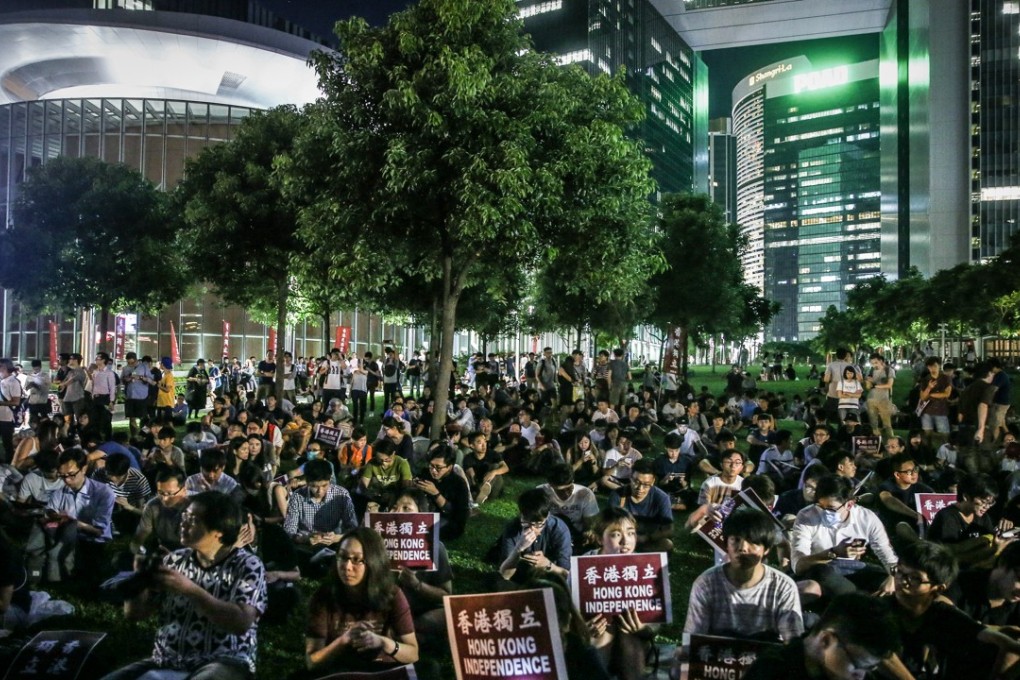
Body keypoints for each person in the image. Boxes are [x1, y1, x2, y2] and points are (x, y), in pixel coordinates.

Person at [103, 491, 267, 680]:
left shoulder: (247, 565)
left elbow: (241, 623)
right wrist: (141, 579)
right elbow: (134, 614)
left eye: (193, 520)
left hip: (224, 659)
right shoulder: (175, 560)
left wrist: (189, 589)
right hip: (168, 657)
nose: (184, 523)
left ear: (218, 531)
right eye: (185, 516)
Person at [883, 540, 1020, 680]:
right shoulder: (879, 610)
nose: (902, 581)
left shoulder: (943, 614)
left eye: (914, 578)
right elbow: (883, 655)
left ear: (938, 588)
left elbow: (985, 634)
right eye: (899, 572)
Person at [304, 527, 419, 674]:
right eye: (342, 557)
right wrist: (344, 640)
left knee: (429, 668)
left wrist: (384, 642)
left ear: (373, 562)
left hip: (381, 670)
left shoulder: (391, 594)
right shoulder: (323, 597)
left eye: (357, 560)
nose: (347, 567)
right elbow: (312, 662)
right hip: (341, 671)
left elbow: (413, 653)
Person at [685, 508, 803, 642]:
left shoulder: (783, 587)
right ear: (726, 544)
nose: (742, 548)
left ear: (767, 549)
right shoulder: (706, 584)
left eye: (752, 542)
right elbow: (694, 638)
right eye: (735, 540)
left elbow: (793, 644)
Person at [741, 593, 902, 680]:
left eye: (869, 668)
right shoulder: (772, 671)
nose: (860, 677)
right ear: (826, 640)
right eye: (858, 665)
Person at [791, 475, 898, 599]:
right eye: (820, 506)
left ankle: (858, 599)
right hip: (823, 569)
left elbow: (888, 556)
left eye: (831, 508)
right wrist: (833, 552)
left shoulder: (866, 518)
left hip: (853, 569)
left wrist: (892, 578)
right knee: (823, 573)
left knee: (883, 577)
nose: (825, 512)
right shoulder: (807, 516)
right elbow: (798, 566)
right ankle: (859, 600)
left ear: (849, 504)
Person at [25, 447, 114, 585]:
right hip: (65, 535)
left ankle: (57, 574)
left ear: (84, 469)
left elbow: (98, 531)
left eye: (71, 474)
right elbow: (50, 510)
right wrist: (54, 516)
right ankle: (37, 572)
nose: (67, 480)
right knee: (40, 531)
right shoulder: (61, 491)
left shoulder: (103, 492)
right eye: (62, 475)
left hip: (91, 541)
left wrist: (71, 522)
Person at [585, 507, 654, 680]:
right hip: (599, 633)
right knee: (600, 638)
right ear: (600, 538)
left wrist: (643, 628)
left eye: (631, 533)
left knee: (630, 639)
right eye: (616, 535)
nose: (626, 541)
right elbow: (572, 613)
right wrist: (584, 628)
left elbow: (656, 618)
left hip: (632, 633)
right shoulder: (584, 567)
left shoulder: (645, 567)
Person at [389, 489, 452, 640]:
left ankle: (404, 632)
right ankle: (409, 636)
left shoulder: (436, 548)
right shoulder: (376, 543)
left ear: (421, 515)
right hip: (386, 610)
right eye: (394, 507)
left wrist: (416, 584)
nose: (398, 512)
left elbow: (446, 595)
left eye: (406, 508)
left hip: (420, 611)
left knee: (448, 616)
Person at [283, 459, 358, 574]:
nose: (320, 491)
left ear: (330, 480)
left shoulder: (341, 495)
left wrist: (336, 538)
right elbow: (289, 530)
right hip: (305, 544)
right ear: (307, 482)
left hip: (333, 543)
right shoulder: (298, 496)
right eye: (314, 486)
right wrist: (305, 539)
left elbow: (353, 528)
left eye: (324, 485)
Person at [927, 472, 1007, 567]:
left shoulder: (983, 517)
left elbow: (990, 539)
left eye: (991, 503)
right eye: (983, 502)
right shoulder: (947, 517)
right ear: (966, 497)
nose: (987, 507)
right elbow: (950, 554)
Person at [497, 487, 572, 584]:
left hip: (550, 578)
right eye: (527, 523)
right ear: (521, 514)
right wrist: (518, 548)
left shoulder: (559, 529)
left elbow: (567, 575)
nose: (532, 529)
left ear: (547, 516)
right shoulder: (513, 527)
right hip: (520, 577)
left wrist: (548, 565)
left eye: (538, 524)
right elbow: (504, 575)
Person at [607, 458, 674, 552]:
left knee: (667, 544)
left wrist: (647, 537)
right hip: (622, 540)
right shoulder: (618, 495)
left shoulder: (661, 498)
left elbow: (669, 529)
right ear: (630, 477)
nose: (640, 488)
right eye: (636, 482)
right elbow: (609, 524)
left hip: (648, 540)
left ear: (653, 481)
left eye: (646, 484)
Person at [414, 443, 470, 541]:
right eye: (431, 465)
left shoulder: (458, 483)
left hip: (449, 521)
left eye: (438, 468)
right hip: (426, 515)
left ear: (449, 467)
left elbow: (457, 514)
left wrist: (436, 493)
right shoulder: (426, 474)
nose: (434, 471)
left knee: (424, 534)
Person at [539, 463, 600, 548]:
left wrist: (589, 531)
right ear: (550, 485)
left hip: (576, 535)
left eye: (568, 488)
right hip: (550, 534)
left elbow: (591, 523)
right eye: (560, 491)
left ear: (572, 481)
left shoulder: (585, 494)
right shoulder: (541, 493)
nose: (566, 493)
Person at [131, 467, 190, 555]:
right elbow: (141, 534)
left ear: (184, 490)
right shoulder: (153, 506)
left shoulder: (196, 506)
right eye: (160, 493)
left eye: (170, 494)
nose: (165, 499)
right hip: (164, 550)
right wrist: (136, 552)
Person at [462, 430, 508, 506]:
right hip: (477, 485)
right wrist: (478, 486)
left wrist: (493, 472)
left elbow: (506, 467)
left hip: (493, 486)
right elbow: (471, 476)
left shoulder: (493, 454)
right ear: (472, 445)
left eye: (485, 442)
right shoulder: (468, 458)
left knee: (495, 466)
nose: (484, 445)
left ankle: (481, 494)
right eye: (479, 443)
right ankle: (479, 494)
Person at [121, 352, 155, 439]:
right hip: (130, 395)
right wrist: (127, 379)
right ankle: (134, 436)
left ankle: (145, 434)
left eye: (132, 363)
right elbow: (122, 380)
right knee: (131, 418)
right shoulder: (125, 368)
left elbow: (152, 381)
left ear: (136, 360)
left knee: (144, 418)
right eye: (128, 363)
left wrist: (141, 378)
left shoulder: (144, 367)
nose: (130, 364)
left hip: (141, 396)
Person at [864, 353, 896, 441]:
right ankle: (876, 443)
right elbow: (867, 387)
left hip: (883, 399)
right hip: (871, 399)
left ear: (881, 361)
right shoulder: (870, 371)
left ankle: (891, 441)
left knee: (887, 423)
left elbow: (889, 385)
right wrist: (868, 382)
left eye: (875, 362)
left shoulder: (889, 370)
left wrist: (875, 385)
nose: (874, 365)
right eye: (872, 363)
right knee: (873, 423)